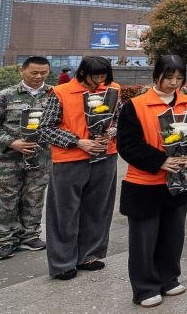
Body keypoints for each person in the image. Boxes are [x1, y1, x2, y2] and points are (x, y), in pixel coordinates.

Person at [116, 55, 187, 307]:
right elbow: (127, 144)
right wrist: (160, 161)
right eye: (168, 78)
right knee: (144, 240)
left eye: (179, 78)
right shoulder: (136, 105)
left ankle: (169, 278)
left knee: (173, 236)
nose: (174, 83)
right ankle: (145, 287)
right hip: (144, 184)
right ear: (156, 76)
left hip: (178, 183)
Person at [38, 55, 120, 280]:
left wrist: (110, 133)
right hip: (70, 159)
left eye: (104, 76)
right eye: (96, 76)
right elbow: (45, 128)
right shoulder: (61, 92)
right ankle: (63, 263)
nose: (100, 81)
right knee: (64, 212)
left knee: (98, 209)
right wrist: (78, 141)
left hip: (105, 156)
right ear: (83, 73)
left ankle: (90, 255)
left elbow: (119, 119)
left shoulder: (112, 89)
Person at [0, 56, 53, 260]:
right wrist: (12, 142)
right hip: (8, 160)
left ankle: (30, 236)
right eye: (34, 73)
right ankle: (6, 241)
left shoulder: (54, 95)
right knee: (6, 199)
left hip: (40, 158)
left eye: (43, 73)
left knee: (34, 196)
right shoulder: (5, 96)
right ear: (23, 71)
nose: (39, 77)